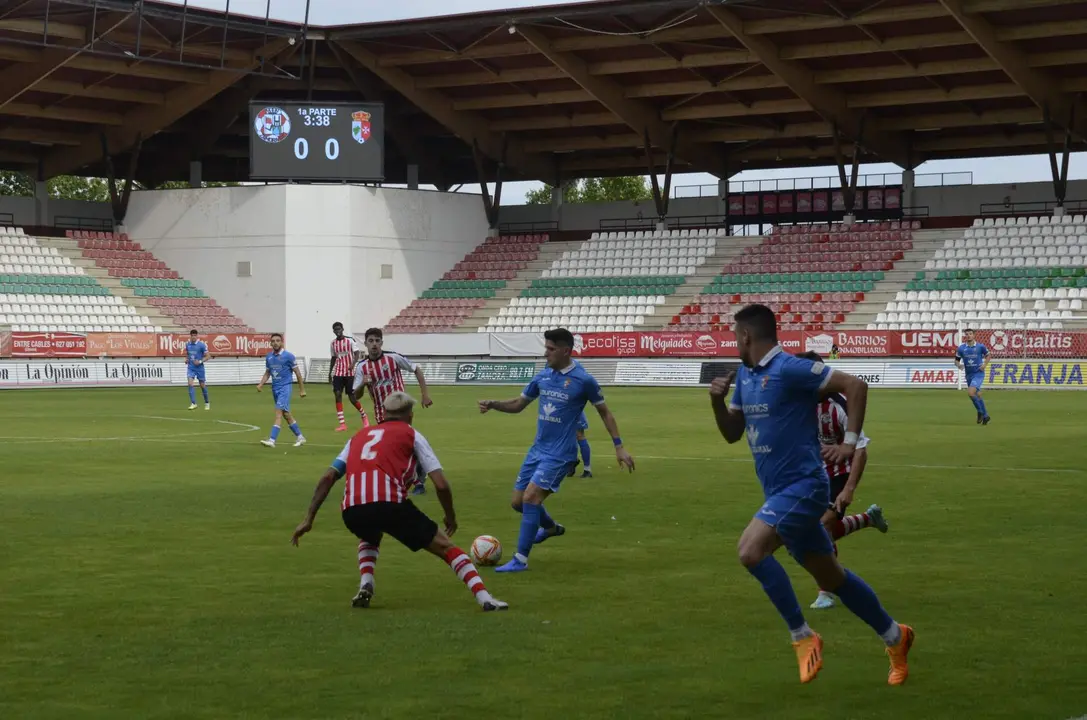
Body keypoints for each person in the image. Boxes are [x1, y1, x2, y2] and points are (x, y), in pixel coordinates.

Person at [709, 304, 913, 686]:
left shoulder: (789, 368)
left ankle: (803, 636)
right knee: (832, 577)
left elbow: (856, 385)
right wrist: (717, 402)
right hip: (780, 491)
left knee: (750, 551)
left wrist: (849, 443)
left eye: (735, 335)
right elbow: (732, 433)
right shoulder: (746, 376)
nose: (734, 341)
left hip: (804, 487)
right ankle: (895, 636)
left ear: (746, 335)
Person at [290, 391, 508, 612]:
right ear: (410, 415)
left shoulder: (358, 436)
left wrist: (308, 519)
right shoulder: (411, 434)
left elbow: (328, 476)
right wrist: (450, 517)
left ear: (384, 413)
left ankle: (366, 583)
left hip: (352, 510)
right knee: (445, 547)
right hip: (389, 504)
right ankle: (485, 599)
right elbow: (441, 484)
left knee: (370, 532)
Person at [478, 328, 635, 573]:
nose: (546, 353)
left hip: (561, 454)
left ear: (565, 351)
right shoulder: (543, 376)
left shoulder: (584, 380)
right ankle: (550, 528)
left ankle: (520, 559)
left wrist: (619, 447)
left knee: (531, 498)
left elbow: (605, 412)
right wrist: (494, 404)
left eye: (551, 349)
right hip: (538, 449)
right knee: (518, 503)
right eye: (546, 348)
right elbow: (519, 404)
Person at [797, 351, 888, 611]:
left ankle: (826, 590)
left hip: (840, 474)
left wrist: (848, 489)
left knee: (822, 526)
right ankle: (867, 519)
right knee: (807, 531)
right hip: (813, 474)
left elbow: (860, 449)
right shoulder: (799, 402)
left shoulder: (839, 405)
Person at [353, 327, 432, 495]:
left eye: (377, 341)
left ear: (381, 342)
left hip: (401, 409)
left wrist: (425, 395)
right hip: (381, 412)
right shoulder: (361, 367)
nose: (374, 344)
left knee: (397, 444)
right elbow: (356, 395)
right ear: (365, 343)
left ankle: (416, 482)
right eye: (371, 341)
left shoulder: (393, 358)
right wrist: (362, 384)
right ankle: (414, 471)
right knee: (397, 446)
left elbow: (416, 369)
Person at [257, 333, 306, 448]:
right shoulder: (269, 357)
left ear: (282, 342)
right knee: (286, 414)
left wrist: (302, 390)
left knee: (278, 413)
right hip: (275, 389)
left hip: (285, 388)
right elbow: (268, 372)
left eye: (278, 340)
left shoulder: (288, 356)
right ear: (270, 343)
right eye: (273, 341)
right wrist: (261, 384)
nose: (275, 343)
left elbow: (298, 373)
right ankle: (300, 437)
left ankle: (272, 440)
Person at [328, 322, 368, 432]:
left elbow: (357, 353)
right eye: (335, 329)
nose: (337, 331)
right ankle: (342, 424)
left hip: (349, 373)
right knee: (337, 395)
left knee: (352, 398)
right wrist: (330, 372)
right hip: (338, 373)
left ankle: (364, 415)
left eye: (339, 329)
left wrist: (353, 364)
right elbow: (333, 358)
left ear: (342, 329)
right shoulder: (333, 343)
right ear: (333, 331)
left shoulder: (350, 341)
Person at [955, 328, 991, 424]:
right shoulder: (961, 348)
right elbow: (956, 360)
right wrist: (959, 365)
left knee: (971, 393)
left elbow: (988, 355)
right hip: (969, 375)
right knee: (977, 395)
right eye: (967, 334)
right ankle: (985, 415)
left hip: (978, 373)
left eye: (970, 334)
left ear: (974, 335)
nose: (968, 335)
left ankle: (981, 412)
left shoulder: (980, 346)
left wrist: (984, 365)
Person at [185, 329, 211, 410]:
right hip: (191, 367)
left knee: (202, 385)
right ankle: (193, 403)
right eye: (192, 335)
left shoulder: (201, 345)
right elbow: (188, 354)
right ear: (190, 336)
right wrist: (187, 359)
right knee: (190, 384)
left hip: (199, 368)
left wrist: (199, 361)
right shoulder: (188, 344)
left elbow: (208, 356)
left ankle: (207, 402)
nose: (193, 337)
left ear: (197, 336)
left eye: (195, 335)